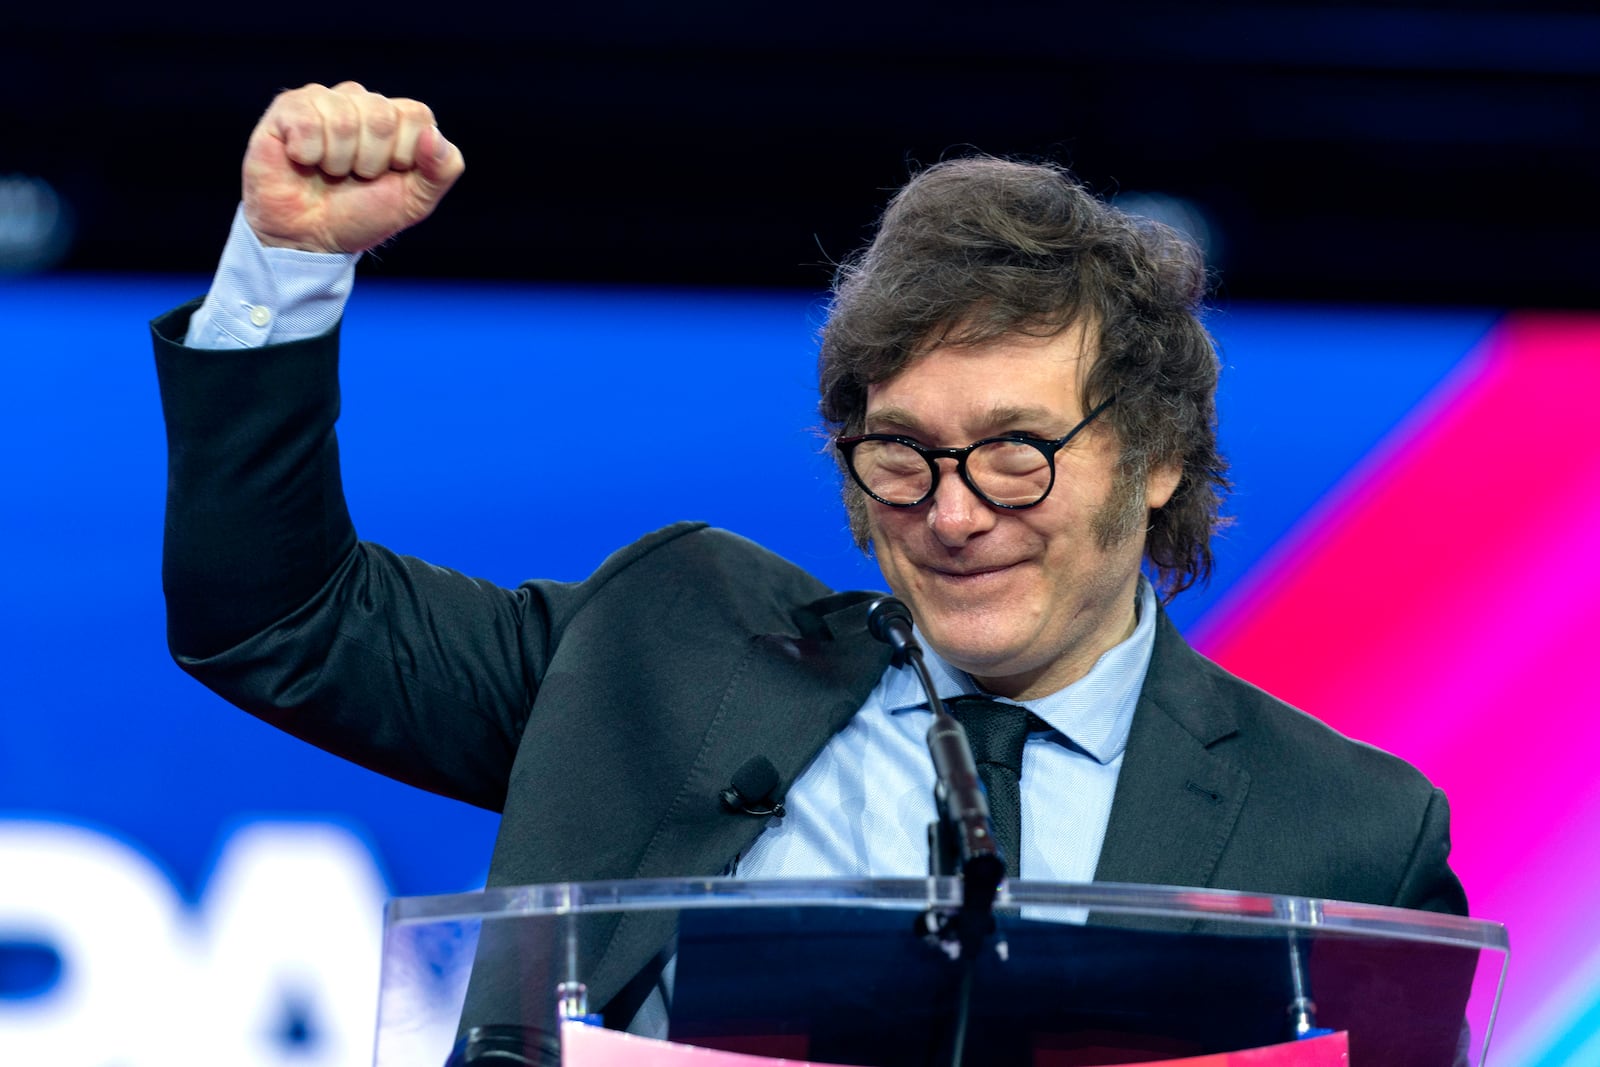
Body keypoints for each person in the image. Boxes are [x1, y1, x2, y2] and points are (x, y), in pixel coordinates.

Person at [151, 82, 1466, 1028]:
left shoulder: (1346, 833)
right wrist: (287, 271)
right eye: (901, 452)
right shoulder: (658, 647)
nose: (953, 515)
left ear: (1160, 454)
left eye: (1016, 450)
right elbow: (276, 616)